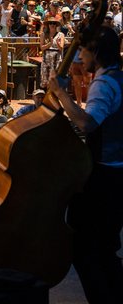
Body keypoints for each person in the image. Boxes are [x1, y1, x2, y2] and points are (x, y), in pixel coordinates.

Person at [48, 25, 123, 303]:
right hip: (116, 171)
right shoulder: (118, 76)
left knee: (85, 249)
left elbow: (87, 123)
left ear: (97, 52)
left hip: (103, 174)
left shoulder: (104, 83)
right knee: (106, 249)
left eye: (83, 50)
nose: (79, 56)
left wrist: (61, 93)